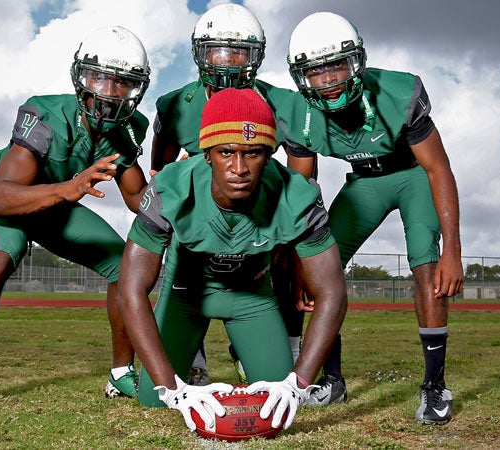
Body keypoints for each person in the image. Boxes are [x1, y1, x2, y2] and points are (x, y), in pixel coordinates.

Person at [0, 26, 151, 420]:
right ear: (81, 77)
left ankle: (120, 374)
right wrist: (66, 188)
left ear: (136, 88)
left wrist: (176, 191)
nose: (111, 90)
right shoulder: (47, 113)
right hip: (0, 193)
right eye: (101, 77)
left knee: (124, 261)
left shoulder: (128, 129)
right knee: (1, 255)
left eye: (123, 82)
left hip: (56, 200)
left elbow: (136, 198)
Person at [117, 88, 348, 432]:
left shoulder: (297, 195)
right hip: (185, 295)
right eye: (227, 152)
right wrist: (174, 389)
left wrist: (298, 385)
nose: (239, 168)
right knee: (155, 398)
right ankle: (184, 369)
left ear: (269, 156)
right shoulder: (171, 187)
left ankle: (247, 357)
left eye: (253, 153)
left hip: (251, 297)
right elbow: (131, 288)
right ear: (206, 153)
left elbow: (332, 292)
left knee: (275, 400)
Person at [283, 12, 464, 424]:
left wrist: (453, 248)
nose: (328, 79)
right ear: (301, 76)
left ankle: (435, 387)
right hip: (363, 182)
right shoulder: (298, 113)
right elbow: (299, 189)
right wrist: (298, 257)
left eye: (336, 65)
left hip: (414, 175)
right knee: (319, 268)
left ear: (356, 61)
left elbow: (438, 169)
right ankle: (332, 381)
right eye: (316, 71)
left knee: (427, 266)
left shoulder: (397, 92)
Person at [151, 2, 308, 387]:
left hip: (260, 210)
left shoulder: (281, 102)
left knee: (288, 258)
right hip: (202, 212)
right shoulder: (176, 104)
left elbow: (303, 169)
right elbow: (160, 169)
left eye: (238, 52)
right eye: (216, 51)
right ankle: (194, 352)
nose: (226, 63)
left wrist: (287, 218)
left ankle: (280, 346)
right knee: (185, 263)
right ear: (199, 54)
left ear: (255, 58)